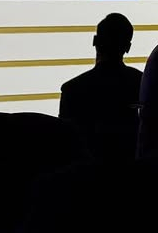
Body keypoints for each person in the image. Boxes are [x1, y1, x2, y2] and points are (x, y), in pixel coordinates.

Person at [58, 12, 143, 161]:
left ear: (95, 41)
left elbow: (66, 145)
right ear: (127, 47)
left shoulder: (72, 89)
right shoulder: (141, 83)